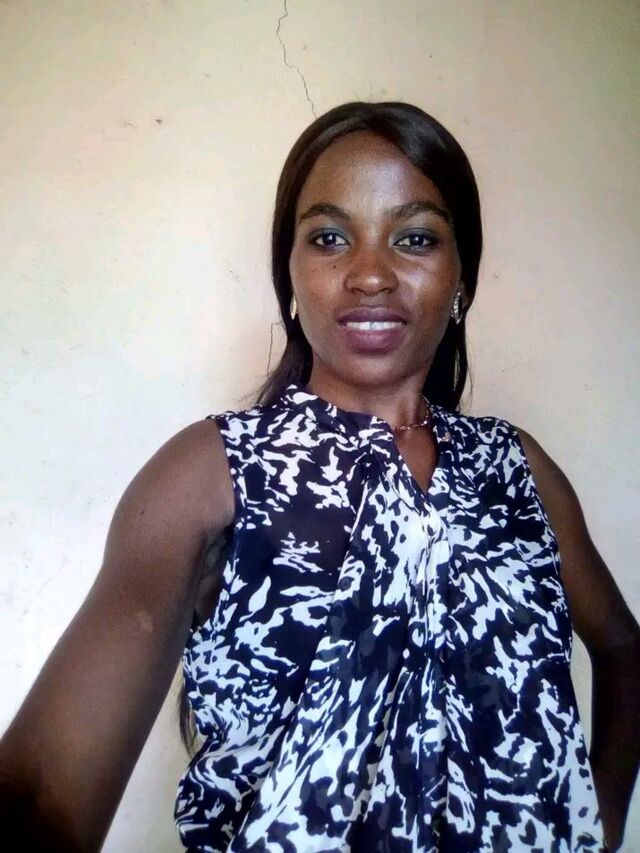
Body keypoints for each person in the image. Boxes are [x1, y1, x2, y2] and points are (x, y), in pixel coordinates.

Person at [0, 102, 638, 852]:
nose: (369, 274)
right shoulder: (211, 474)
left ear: (462, 274)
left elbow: (625, 653)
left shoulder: (519, 470)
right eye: (330, 238)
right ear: (291, 274)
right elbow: (40, 788)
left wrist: (597, 821)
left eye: (415, 237)